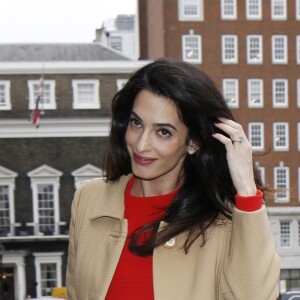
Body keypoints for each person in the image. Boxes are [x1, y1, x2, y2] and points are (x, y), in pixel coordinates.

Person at [66, 58, 280, 299]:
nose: (141, 144)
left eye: (163, 132)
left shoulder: (223, 217)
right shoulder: (89, 200)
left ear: (193, 142)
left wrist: (246, 190)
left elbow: (256, 296)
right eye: (136, 123)